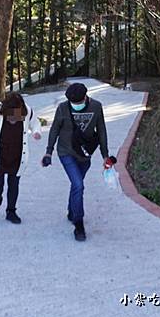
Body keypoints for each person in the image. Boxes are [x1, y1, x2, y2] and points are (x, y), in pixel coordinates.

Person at [42, 82, 114, 241]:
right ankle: (78, 223)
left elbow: (101, 130)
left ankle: (71, 211)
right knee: (78, 185)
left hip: (85, 154)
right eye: (73, 104)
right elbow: (54, 129)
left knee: (76, 185)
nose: (76, 106)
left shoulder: (96, 107)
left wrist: (105, 156)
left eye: (79, 103)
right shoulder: (62, 108)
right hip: (65, 152)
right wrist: (48, 152)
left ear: (85, 97)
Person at [0, 91, 41, 224]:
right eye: (10, 114)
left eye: (15, 114)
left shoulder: (25, 111)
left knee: (14, 185)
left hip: (17, 156)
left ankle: (11, 211)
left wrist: (36, 132)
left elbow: (35, 123)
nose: (13, 118)